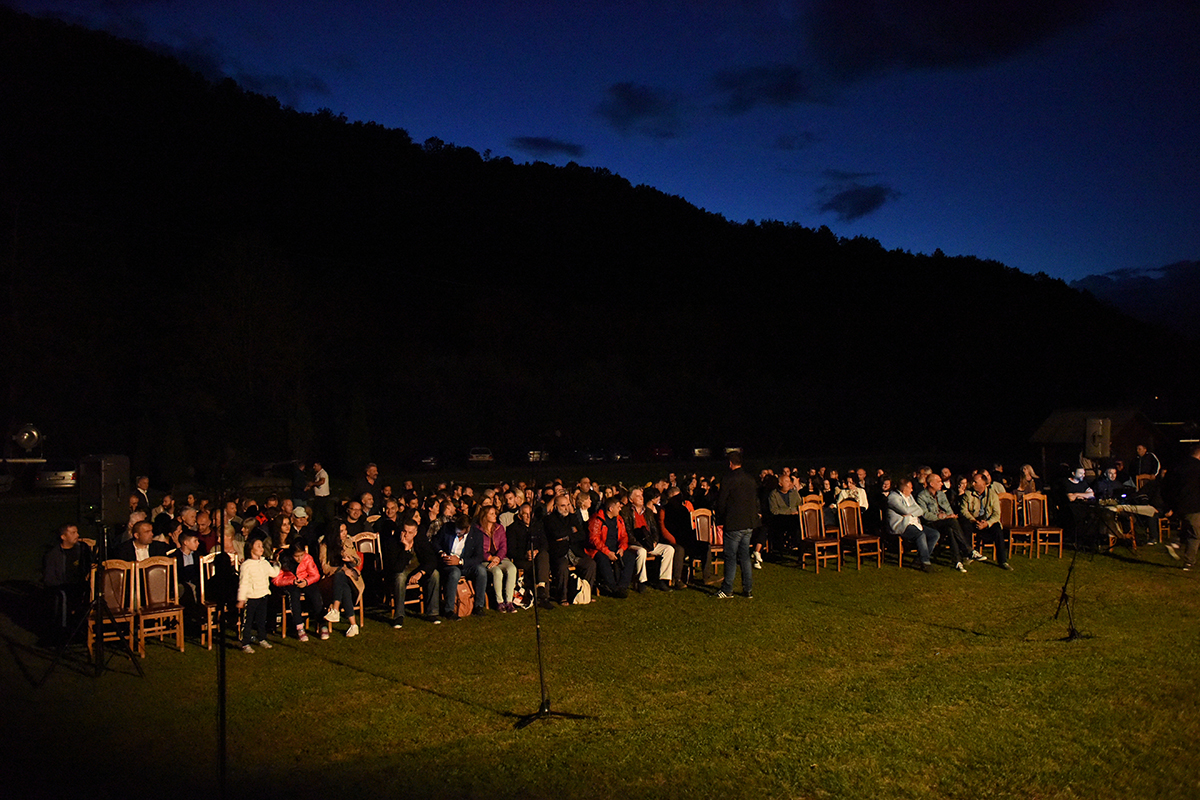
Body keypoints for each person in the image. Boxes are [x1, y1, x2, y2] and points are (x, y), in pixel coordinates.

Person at [716, 450, 757, 598]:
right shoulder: (750, 479)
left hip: (734, 522)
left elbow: (722, 502)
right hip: (748, 522)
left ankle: (727, 588)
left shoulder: (728, 479)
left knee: (730, 556)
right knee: (745, 556)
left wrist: (720, 519)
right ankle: (748, 588)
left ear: (730, 463)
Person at [917, 474, 978, 572]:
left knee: (950, 529)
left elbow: (948, 508)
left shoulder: (941, 494)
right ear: (931, 484)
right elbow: (925, 515)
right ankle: (968, 550)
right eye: (939, 482)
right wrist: (943, 517)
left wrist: (950, 515)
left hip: (946, 522)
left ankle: (957, 561)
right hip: (932, 523)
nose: (941, 483)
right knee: (952, 522)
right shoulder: (922, 496)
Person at [272, 539, 330, 640]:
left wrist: (306, 581)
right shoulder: (283, 559)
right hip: (290, 583)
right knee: (294, 596)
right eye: (296, 556)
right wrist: (291, 581)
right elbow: (276, 580)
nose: (299, 558)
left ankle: (322, 623)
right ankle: (299, 626)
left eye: (301, 555)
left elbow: (315, 575)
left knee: (315, 594)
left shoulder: (307, 559)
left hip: (305, 580)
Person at [621, 487, 675, 591]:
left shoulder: (648, 512)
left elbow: (654, 529)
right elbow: (628, 532)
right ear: (631, 500)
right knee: (641, 552)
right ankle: (641, 581)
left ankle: (663, 579)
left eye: (641, 495)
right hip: (635, 543)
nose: (641, 498)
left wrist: (654, 541)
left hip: (648, 542)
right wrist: (640, 544)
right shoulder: (625, 512)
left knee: (669, 549)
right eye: (638, 496)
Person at [437, 515, 487, 618]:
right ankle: (449, 609)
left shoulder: (477, 534)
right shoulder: (447, 528)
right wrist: (441, 552)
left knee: (481, 571)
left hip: (465, 564)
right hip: (449, 564)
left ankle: (479, 606)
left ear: (468, 528)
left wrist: (460, 561)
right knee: (455, 573)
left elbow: (478, 557)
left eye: (460, 531)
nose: (457, 532)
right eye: (456, 529)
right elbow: (435, 542)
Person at [886, 477, 940, 571]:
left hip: (915, 523)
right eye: (910, 488)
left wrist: (909, 512)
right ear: (904, 489)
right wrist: (911, 511)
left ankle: (919, 558)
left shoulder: (909, 496)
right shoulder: (893, 497)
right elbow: (904, 510)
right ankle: (925, 562)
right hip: (902, 525)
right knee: (920, 535)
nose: (912, 490)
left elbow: (920, 510)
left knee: (935, 534)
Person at [44, 523, 92, 630]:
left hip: (80, 584)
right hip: (63, 586)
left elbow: (89, 565)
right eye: (73, 533)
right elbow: (49, 578)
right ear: (63, 537)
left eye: (77, 532)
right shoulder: (54, 555)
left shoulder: (82, 549)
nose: (77, 535)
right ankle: (64, 628)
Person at [321, 521, 364, 636]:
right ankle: (353, 625)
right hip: (331, 579)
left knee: (343, 582)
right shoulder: (324, 545)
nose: (345, 533)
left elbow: (357, 561)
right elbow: (325, 567)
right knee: (342, 581)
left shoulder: (348, 542)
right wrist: (341, 569)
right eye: (341, 531)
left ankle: (336, 610)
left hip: (350, 578)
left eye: (345, 530)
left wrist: (351, 560)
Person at [237, 537, 281, 653]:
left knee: (261, 619)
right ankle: (245, 643)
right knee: (248, 621)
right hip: (251, 598)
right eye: (258, 546)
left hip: (263, 596)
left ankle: (262, 638)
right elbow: (243, 583)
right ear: (251, 549)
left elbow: (273, 573)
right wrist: (241, 599)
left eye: (262, 546)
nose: (261, 548)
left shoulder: (264, 563)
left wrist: (277, 564)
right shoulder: (246, 565)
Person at [587, 497, 636, 598]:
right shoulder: (597, 519)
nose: (620, 509)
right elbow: (594, 539)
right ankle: (612, 587)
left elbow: (624, 536)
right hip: (600, 549)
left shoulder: (619, 520)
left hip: (615, 548)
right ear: (610, 508)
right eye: (618, 507)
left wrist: (622, 548)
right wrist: (607, 552)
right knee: (602, 560)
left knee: (630, 558)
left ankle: (622, 586)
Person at [960, 473, 1012, 570]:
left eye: (976, 482)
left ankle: (1003, 561)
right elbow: (964, 510)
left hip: (987, 521)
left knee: (997, 529)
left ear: (983, 483)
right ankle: (968, 555)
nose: (973, 484)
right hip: (973, 520)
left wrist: (987, 523)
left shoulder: (993, 495)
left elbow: (996, 514)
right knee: (965, 526)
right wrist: (974, 520)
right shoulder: (968, 494)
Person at [1164, 444, 1200, 570]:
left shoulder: (1178, 466)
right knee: (1195, 534)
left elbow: (1167, 484)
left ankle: (1176, 541)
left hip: (1178, 504)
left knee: (1187, 525)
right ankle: (1189, 561)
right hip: (1194, 505)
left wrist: (1169, 504)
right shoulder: (1197, 468)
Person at [478, 506, 518, 612]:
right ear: (485, 516)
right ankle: (499, 602)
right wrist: (490, 558)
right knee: (497, 572)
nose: (494, 515)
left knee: (512, 569)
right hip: (486, 559)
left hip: (500, 558)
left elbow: (503, 546)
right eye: (491, 514)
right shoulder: (478, 530)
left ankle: (509, 601)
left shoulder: (499, 528)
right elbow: (478, 549)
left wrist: (498, 558)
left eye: (494, 513)